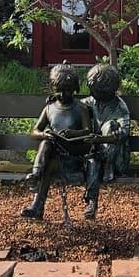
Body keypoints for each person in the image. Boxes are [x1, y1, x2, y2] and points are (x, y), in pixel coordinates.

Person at [21, 63, 96, 219]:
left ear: (75, 88)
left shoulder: (80, 108)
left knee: (48, 157)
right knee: (46, 146)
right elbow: (34, 131)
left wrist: (73, 133)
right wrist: (45, 134)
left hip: (75, 155)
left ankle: (36, 188)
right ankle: (36, 200)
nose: (63, 94)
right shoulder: (50, 108)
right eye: (59, 90)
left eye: (67, 90)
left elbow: (88, 132)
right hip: (55, 154)